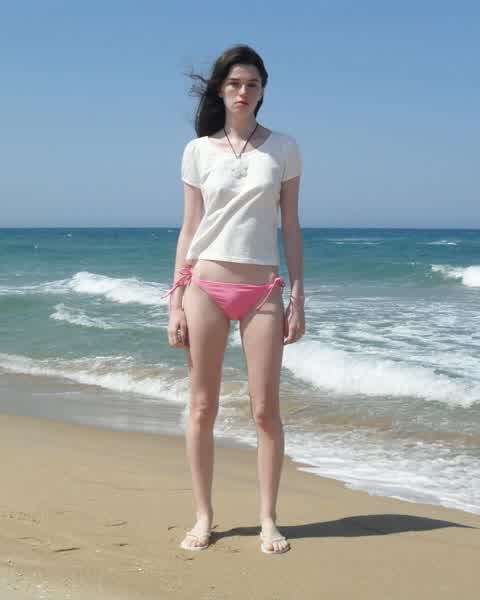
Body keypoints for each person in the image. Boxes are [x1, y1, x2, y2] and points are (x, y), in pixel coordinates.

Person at [162, 44, 305, 555]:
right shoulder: (198, 150)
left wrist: (298, 296)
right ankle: (204, 515)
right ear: (221, 90)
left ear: (263, 91)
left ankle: (268, 518)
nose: (243, 92)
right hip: (204, 287)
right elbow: (189, 228)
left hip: (263, 290)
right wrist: (175, 301)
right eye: (235, 84)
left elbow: (291, 226)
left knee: (265, 410)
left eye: (252, 84)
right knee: (202, 406)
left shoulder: (283, 148)